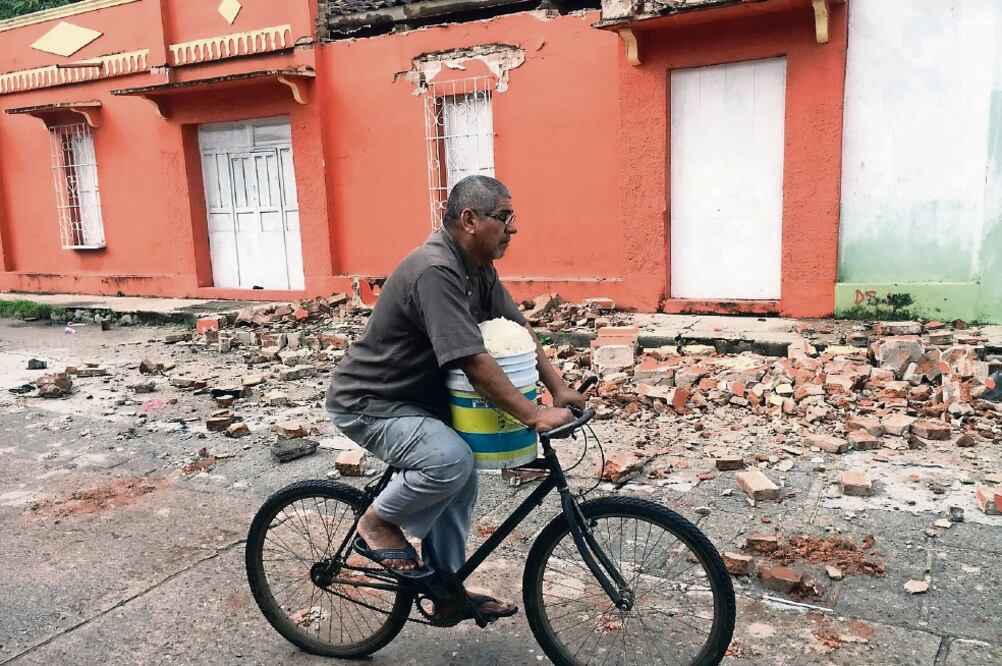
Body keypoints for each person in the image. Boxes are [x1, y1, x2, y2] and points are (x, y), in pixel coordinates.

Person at [326, 175, 584, 620]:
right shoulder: (436, 270)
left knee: (462, 470)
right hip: (372, 402)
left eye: (512, 219)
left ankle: (444, 588)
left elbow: (517, 331)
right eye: (504, 218)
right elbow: (474, 361)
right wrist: (533, 412)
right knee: (451, 460)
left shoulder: (479, 268)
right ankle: (377, 521)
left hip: (420, 402)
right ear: (469, 219)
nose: (513, 228)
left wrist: (558, 387)